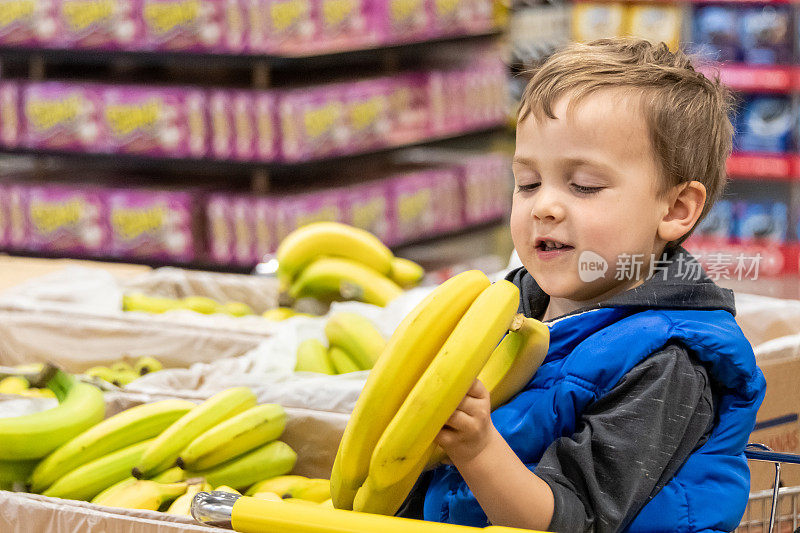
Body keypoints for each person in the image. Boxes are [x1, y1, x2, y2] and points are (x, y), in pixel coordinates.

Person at [398, 38, 767, 532]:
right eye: (527, 182)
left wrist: (477, 447)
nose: (543, 206)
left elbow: (576, 520)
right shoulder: (513, 308)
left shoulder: (667, 366)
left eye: (585, 186)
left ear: (676, 209)